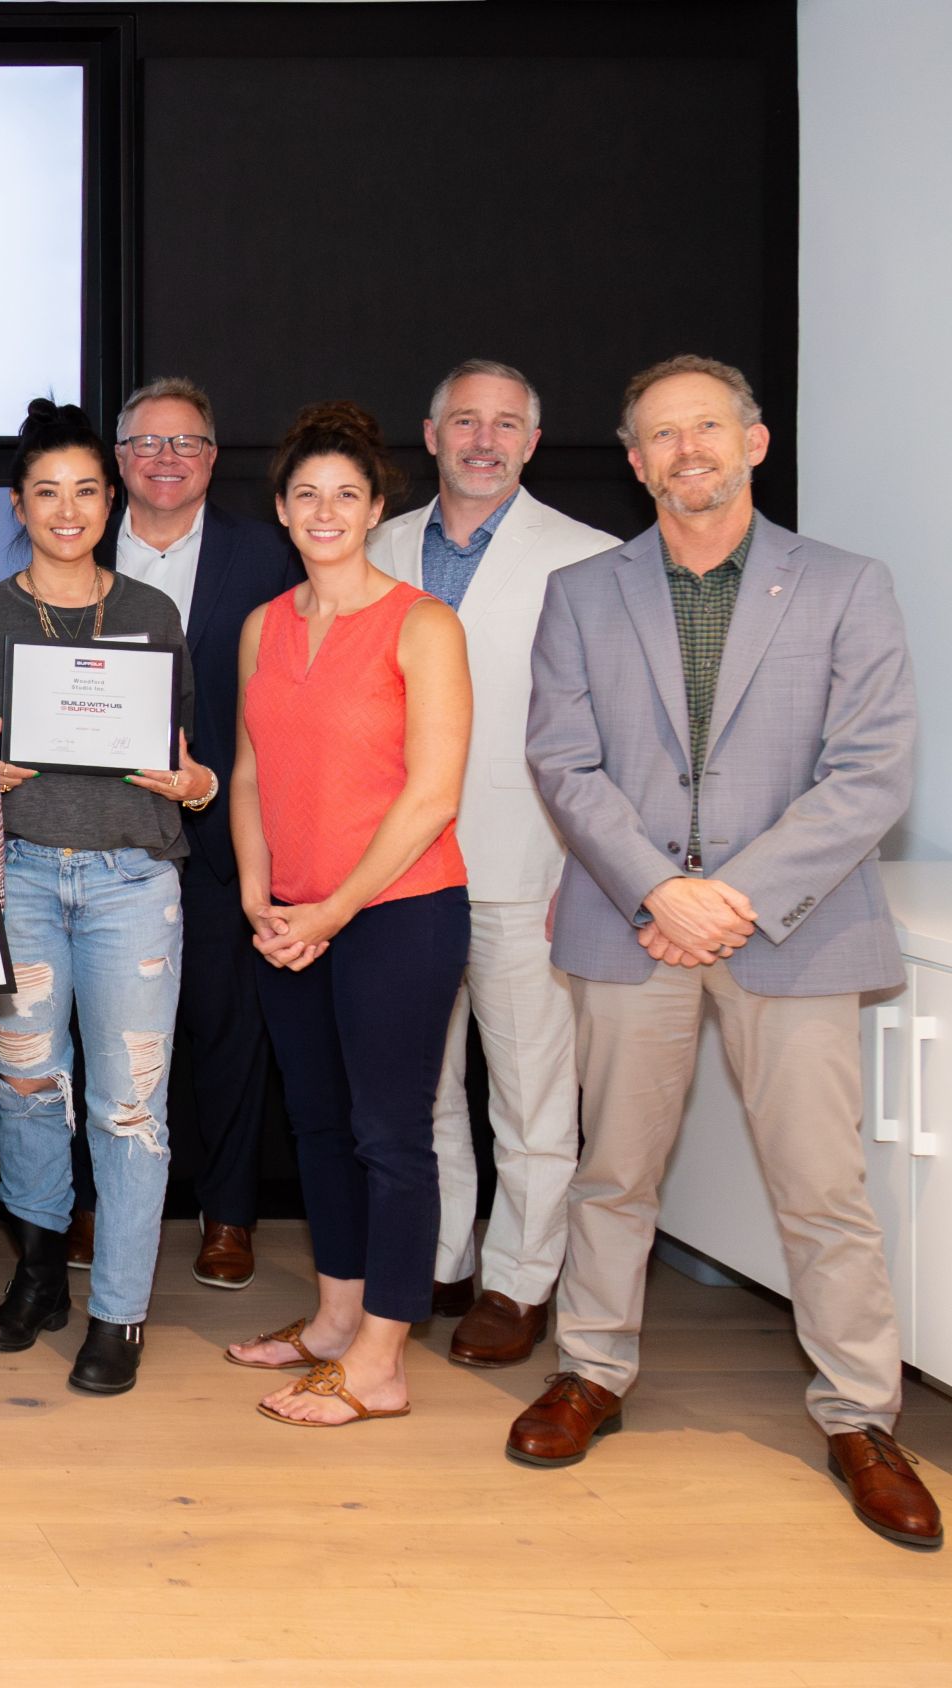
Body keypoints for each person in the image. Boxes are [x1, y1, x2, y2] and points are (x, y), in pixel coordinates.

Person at [508, 356, 936, 1550]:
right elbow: (562, 760)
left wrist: (729, 896)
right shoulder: (586, 593)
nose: (685, 449)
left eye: (707, 427)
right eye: (660, 435)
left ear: (754, 442)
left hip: (792, 928)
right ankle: (591, 1370)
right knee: (615, 1174)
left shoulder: (848, 586)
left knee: (823, 1190)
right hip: (628, 920)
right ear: (634, 461)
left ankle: (860, 1414)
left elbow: (871, 773)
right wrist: (658, 887)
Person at [0, 399, 208, 1398]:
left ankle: (120, 1310)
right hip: (19, 882)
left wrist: (195, 786)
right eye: (46, 492)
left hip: (135, 881)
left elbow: (180, 760)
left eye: (87, 490)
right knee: (23, 1089)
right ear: (18, 504)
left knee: (130, 1107)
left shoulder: (153, 613)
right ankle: (42, 1271)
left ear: (113, 499)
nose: (67, 509)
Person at [222, 402, 470, 1429]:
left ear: (376, 509)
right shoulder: (262, 625)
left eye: (347, 495)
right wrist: (256, 892)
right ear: (282, 510)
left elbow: (433, 794)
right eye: (308, 495)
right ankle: (334, 1319)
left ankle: (381, 1360)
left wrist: (333, 905)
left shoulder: (424, 622)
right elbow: (247, 773)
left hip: (398, 912)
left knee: (390, 1135)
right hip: (289, 917)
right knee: (317, 1124)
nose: (327, 511)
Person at [364, 360, 617, 1363]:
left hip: (531, 866)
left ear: (533, 443)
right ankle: (443, 1258)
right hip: (397, 868)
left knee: (530, 1094)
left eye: (505, 423)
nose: (483, 438)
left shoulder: (592, 557)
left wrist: (587, 872)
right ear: (428, 435)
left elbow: (614, 737)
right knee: (420, 1088)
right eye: (463, 420)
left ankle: (520, 1282)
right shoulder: (371, 542)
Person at [109, 376, 302, 1291]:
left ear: (214, 459)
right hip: (104, 837)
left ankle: (227, 1213)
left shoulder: (268, 556)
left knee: (229, 1031)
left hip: (229, 830)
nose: (166, 459)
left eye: (185, 443)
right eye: (147, 442)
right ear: (119, 460)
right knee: (108, 1035)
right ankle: (98, 1209)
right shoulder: (73, 547)